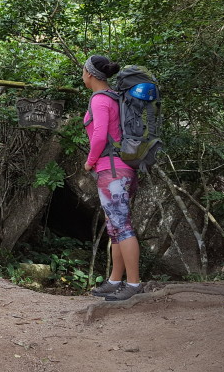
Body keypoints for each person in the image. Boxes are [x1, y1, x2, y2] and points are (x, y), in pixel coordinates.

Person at [81, 55, 142, 301]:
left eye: (83, 71)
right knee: (115, 226)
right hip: (124, 168)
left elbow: (99, 136)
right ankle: (115, 280)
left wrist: (89, 162)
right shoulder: (115, 97)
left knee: (122, 226)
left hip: (112, 171)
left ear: (90, 74)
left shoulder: (99, 99)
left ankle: (134, 284)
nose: (82, 76)